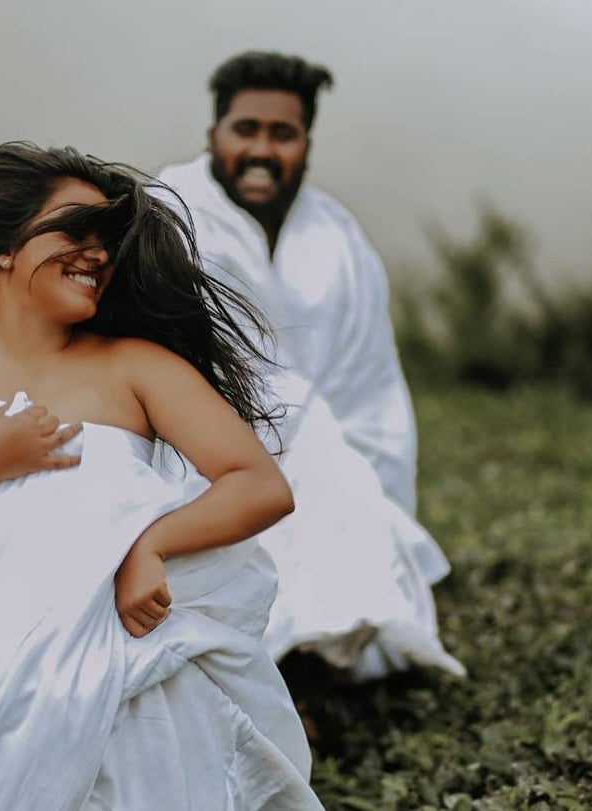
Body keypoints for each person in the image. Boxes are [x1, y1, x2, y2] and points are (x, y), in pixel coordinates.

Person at [0, 142, 324, 810]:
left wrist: (147, 544)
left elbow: (257, 482)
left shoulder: (139, 366)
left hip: (120, 653)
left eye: (107, 240)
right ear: (5, 246)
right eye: (76, 229)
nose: (97, 252)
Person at [158, 52, 464, 681]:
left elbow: (370, 377)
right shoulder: (168, 213)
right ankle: (278, 662)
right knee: (296, 463)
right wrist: (289, 433)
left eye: (283, 133)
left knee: (328, 459)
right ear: (214, 135)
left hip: (330, 449)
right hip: (200, 447)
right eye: (246, 130)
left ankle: (315, 652)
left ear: (306, 143)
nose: (263, 149)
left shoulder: (336, 234)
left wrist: (330, 451)